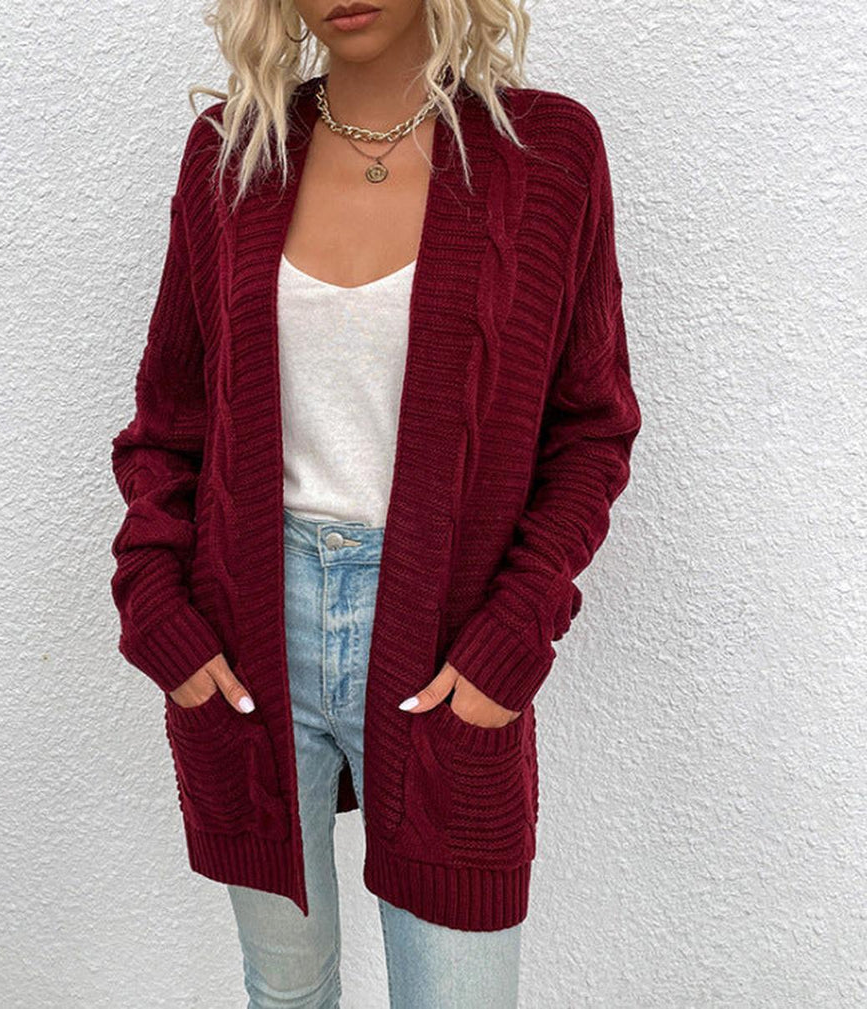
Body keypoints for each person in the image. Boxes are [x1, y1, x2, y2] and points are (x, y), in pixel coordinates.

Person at [109, 2, 642, 1006]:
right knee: (287, 991)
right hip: (247, 635)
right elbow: (169, 420)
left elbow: (590, 429)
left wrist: (514, 634)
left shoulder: (548, 154)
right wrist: (155, 607)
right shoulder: (233, 151)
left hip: (445, 639)